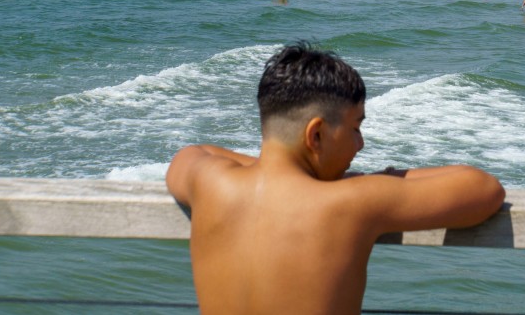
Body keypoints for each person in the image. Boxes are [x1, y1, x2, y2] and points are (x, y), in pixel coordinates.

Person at [166, 43, 505, 315]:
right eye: (355, 128)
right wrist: (371, 180)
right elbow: (483, 188)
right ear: (315, 135)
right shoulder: (352, 200)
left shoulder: (208, 182)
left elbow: (195, 152)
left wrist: (274, 162)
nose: (360, 144)